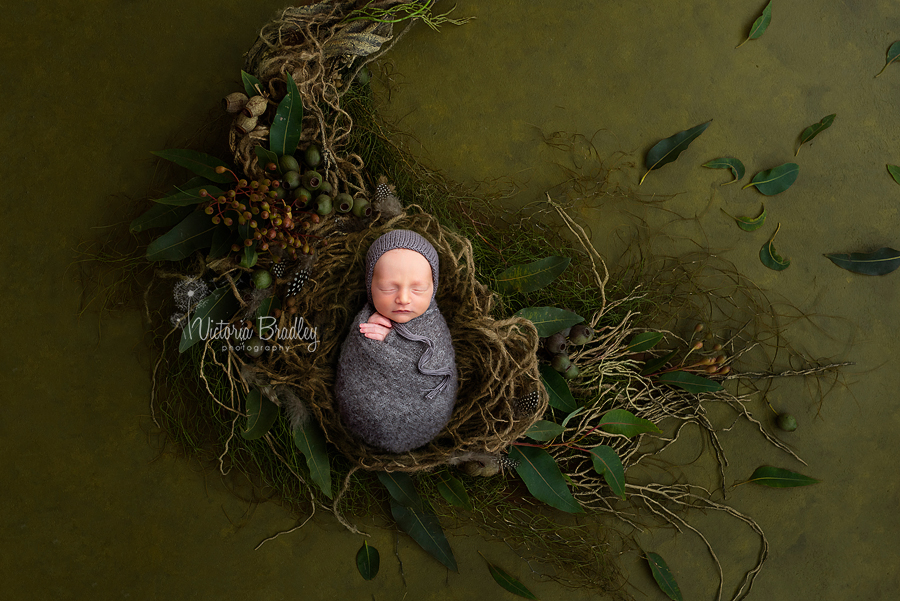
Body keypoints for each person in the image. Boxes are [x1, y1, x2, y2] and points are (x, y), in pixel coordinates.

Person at [335, 230, 458, 453]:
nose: (403, 298)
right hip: (366, 416)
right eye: (388, 288)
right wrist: (370, 342)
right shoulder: (365, 318)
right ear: (370, 286)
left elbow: (439, 366)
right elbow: (352, 361)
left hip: (424, 415)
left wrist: (394, 342)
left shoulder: (433, 326)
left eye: (418, 289)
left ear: (433, 289)